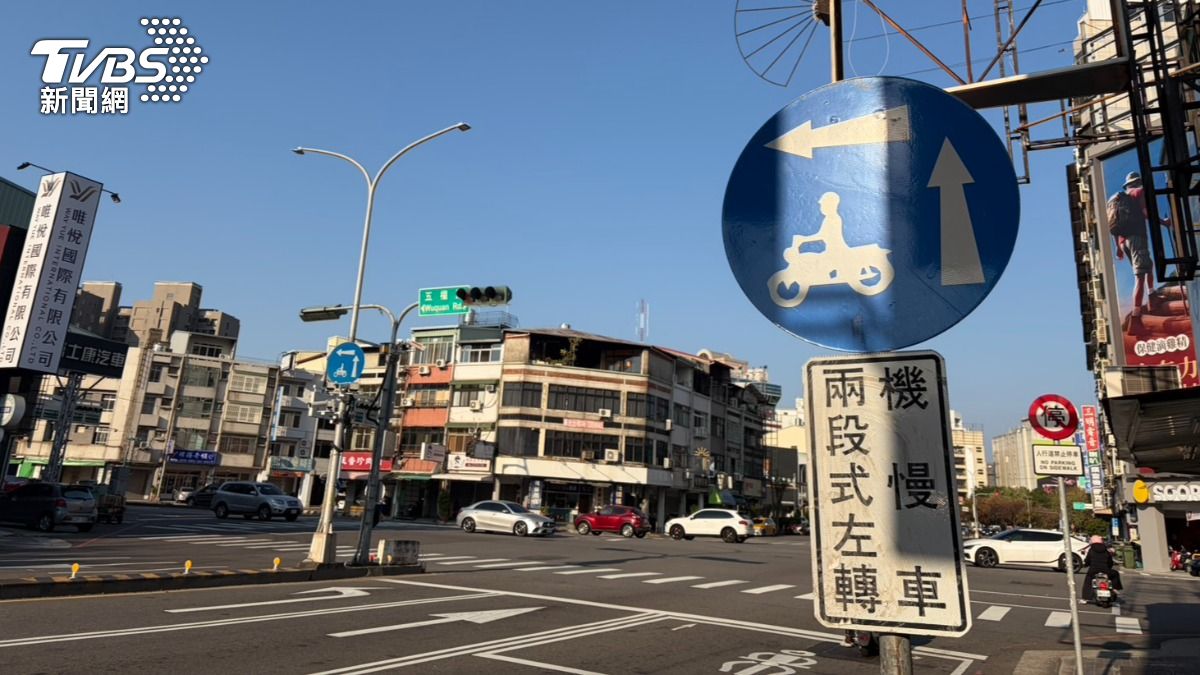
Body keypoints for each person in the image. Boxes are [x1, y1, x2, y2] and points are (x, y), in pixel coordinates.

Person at [1081, 535, 1121, 604]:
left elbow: (1088, 560)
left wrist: (1085, 565)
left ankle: (1085, 598)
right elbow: (1110, 561)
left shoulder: (1091, 550)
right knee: (1115, 573)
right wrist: (1108, 567)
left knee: (1088, 581)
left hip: (1093, 570)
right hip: (1105, 570)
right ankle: (1114, 588)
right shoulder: (1105, 550)